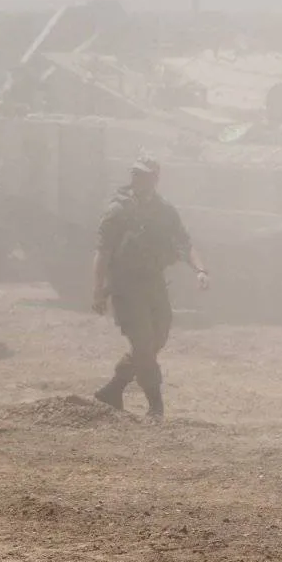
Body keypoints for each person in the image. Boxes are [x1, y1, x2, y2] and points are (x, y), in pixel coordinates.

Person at [91, 156, 208, 417]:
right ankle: (156, 405)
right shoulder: (118, 210)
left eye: (142, 175)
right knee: (144, 344)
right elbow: (103, 252)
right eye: (134, 174)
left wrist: (200, 270)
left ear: (154, 179)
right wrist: (98, 290)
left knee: (157, 339)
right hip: (126, 286)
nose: (136, 179)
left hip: (154, 284)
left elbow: (184, 243)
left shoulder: (164, 211)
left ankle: (113, 389)